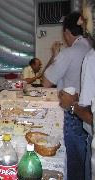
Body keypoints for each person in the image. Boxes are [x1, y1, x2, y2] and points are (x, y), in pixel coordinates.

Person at [43, 12, 91, 180]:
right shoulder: (90, 48)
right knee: (86, 161)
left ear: (67, 32)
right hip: (89, 112)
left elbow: (46, 82)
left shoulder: (69, 53)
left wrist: (55, 56)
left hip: (75, 112)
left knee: (74, 161)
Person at [59, 1, 95, 179]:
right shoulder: (90, 52)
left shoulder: (92, 57)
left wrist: (71, 105)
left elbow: (92, 116)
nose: (81, 22)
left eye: (85, 17)